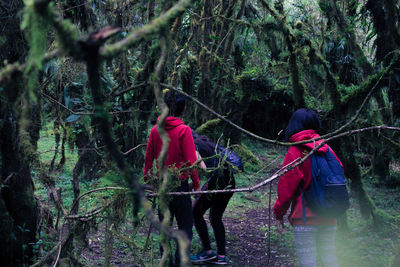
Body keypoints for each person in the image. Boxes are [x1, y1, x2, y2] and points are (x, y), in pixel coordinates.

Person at [273, 108, 341, 267]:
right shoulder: (326, 148)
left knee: (308, 261)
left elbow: (286, 187)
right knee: (329, 257)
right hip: (330, 215)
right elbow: (339, 172)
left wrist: (279, 213)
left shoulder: (295, 151)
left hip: (305, 218)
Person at [143, 91, 200, 266]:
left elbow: (148, 157)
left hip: (162, 187)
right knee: (185, 228)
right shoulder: (184, 130)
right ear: (183, 110)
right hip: (181, 186)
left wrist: (148, 178)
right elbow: (191, 161)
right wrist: (196, 184)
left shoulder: (155, 130)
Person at [190, 132, 236, 265]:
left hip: (217, 181)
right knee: (216, 217)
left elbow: (201, 167)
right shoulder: (208, 144)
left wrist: (195, 186)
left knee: (196, 212)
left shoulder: (195, 145)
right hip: (229, 181)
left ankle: (208, 252)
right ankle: (221, 256)